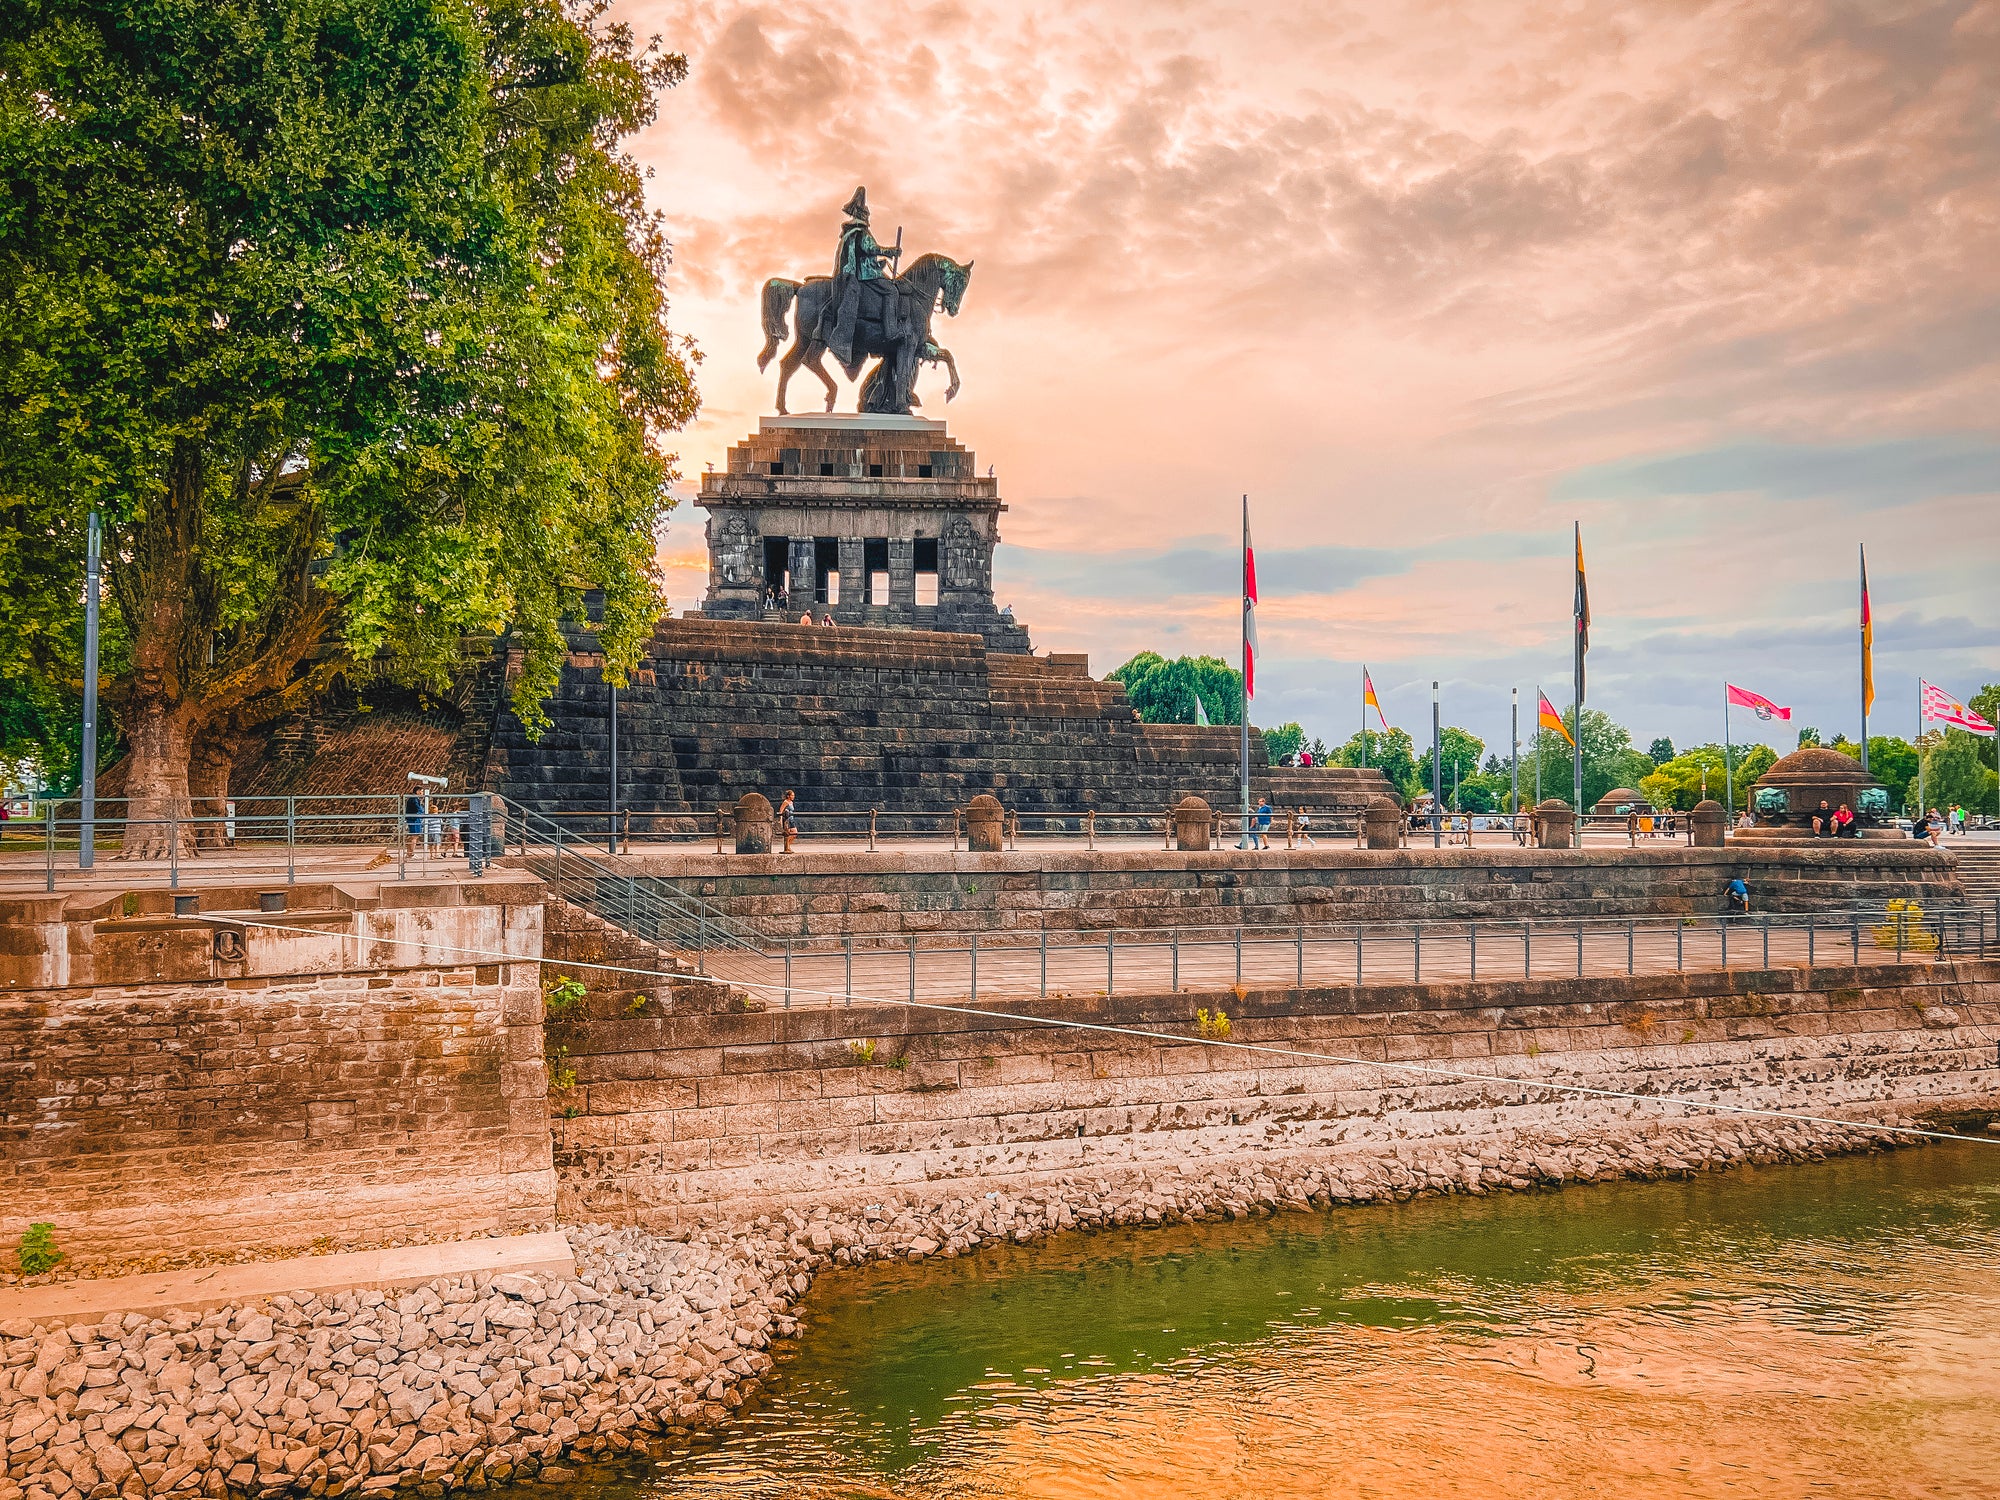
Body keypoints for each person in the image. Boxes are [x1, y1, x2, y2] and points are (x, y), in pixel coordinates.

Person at [403, 791, 425, 857]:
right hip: (414, 819)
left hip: (412, 818)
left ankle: (409, 853)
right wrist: (422, 812)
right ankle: (411, 853)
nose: (422, 793)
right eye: (421, 791)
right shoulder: (414, 799)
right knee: (414, 836)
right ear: (418, 791)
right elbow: (418, 808)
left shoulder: (412, 798)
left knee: (412, 836)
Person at [778, 789, 798, 854]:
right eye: (792, 795)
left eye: (793, 795)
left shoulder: (791, 802)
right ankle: (787, 848)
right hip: (787, 820)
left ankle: (788, 846)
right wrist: (780, 820)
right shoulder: (785, 802)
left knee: (794, 833)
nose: (793, 796)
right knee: (788, 834)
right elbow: (781, 811)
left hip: (791, 819)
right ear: (788, 796)